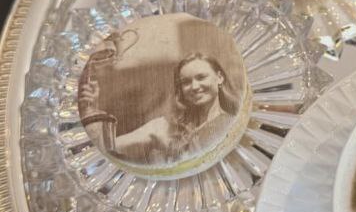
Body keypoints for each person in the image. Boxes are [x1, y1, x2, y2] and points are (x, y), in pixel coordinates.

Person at [79, 51, 239, 168]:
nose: (194, 86)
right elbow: (107, 147)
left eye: (201, 77)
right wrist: (90, 109)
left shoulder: (235, 123)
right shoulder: (164, 127)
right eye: (186, 82)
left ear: (219, 77)